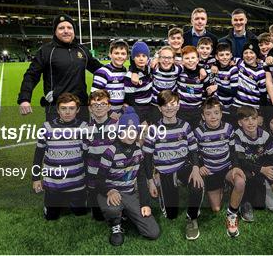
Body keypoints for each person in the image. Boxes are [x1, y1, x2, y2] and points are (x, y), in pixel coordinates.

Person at [143, 90, 204, 240]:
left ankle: (192, 218)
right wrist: (150, 181)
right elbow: (147, 157)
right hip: (164, 171)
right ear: (159, 108)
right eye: (165, 105)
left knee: (198, 184)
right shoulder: (154, 129)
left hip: (183, 167)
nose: (169, 108)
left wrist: (196, 168)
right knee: (171, 215)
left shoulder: (185, 126)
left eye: (173, 104)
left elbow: (194, 150)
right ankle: (169, 183)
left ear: (178, 106)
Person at [95, 107, 160, 246]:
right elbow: (98, 181)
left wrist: (145, 204)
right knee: (112, 208)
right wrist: (109, 191)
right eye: (126, 130)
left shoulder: (138, 151)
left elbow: (141, 179)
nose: (130, 134)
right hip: (111, 192)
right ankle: (116, 224)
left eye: (134, 131)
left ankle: (128, 214)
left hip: (129, 193)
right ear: (119, 131)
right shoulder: (110, 151)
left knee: (153, 232)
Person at [18, 15, 102, 119]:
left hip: (81, 107)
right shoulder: (46, 51)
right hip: (57, 107)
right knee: (58, 135)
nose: (66, 31)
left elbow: (100, 70)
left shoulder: (82, 50)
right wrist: (24, 99)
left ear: (74, 31)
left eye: (69, 28)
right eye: (61, 28)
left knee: (82, 135)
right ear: (55, 31)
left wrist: (120, 73)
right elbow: (31, 75)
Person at [193, 97, 245, 238]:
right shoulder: (198, 132)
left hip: (226, 168)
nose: (213, 117)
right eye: (208, 114)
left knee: (240, 182)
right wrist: (201, 165)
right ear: (203, 116)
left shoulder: (228, 128)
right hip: (210, 171)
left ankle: (232, 214)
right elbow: (194, 152)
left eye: (216, 113)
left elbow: (233, 149)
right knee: (216, 208)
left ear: (221, 114)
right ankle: (224, 187)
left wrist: (235, 166)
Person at [32, 93, 88, 220]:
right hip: (53, 184)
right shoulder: (46, 127)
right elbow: (38, 154)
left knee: (80, 213)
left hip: (77, 183)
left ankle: (77, 199)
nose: (67, 112)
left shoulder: (84, 127)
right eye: (63, 108)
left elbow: (87, 156)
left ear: (77, 110)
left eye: (71, 108)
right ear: (57, 109)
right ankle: (52, 203)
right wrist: (35, 178)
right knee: (51, 217)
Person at [232, 106, 273, 222]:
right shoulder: (237, 135)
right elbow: (241, 161)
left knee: (263, 206)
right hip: (247, 169)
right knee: (246, 175)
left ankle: (267, 186)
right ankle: (244, 203)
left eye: (253, 119)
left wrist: (272, 181)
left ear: (258, 120)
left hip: (261, 169)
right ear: (240, 123)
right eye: (246, 120)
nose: (250, 123)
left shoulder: (265, 135)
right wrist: (260, 169)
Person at [84, 90, 118, 221]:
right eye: (95, 105)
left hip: (112, 177)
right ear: (90, 108)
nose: (99, 107)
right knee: (98, 217)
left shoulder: (116, 125)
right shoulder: (86, 129)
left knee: (115, 210)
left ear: (109, 106)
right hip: (93, 177)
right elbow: (85, 154)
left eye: (103, 104)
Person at [91, 40, 129, 120]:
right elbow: (94, 98)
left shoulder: (125, 71)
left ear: (127, 56)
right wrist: (109, 113)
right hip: (105, 115)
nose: (120, 56)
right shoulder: (103, 72)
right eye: (116, 53)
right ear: (110, 54)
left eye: (123, 54)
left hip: (121, 114)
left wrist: (122, 111)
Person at [176, 45, 208, 128]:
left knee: (196, 132)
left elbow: (208, 90)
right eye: (186, 58)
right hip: (182, 110)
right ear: (182, 61)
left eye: (193, 58)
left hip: (197, 110)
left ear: (198, 60)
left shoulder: (203, 74)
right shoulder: (180, 72)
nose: (190, 60)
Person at [124, 41, 153, 125]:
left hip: (150, 109)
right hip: (138, 111)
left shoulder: (149, 69)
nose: (141, 58)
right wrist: (142, 119)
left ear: (147, 58)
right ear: (133, 58)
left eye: (144, 56)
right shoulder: (129, 77)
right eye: (137, 56)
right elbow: (131, 101)